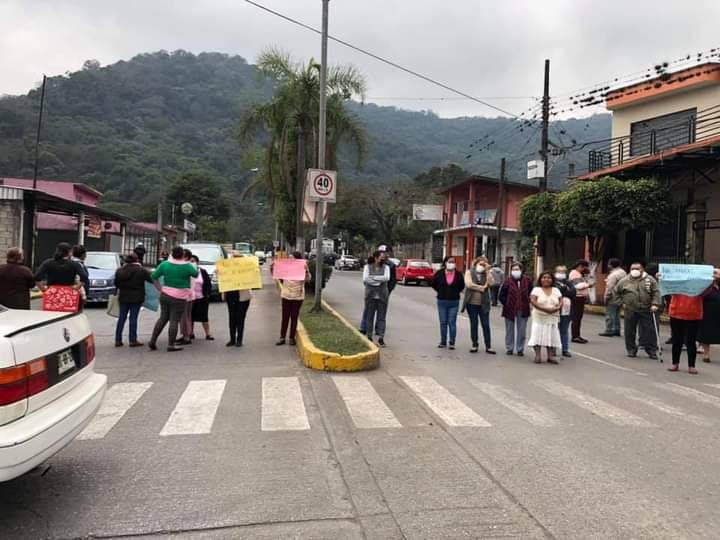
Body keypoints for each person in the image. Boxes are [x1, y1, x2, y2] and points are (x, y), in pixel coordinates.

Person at [148, 245, 198, 352]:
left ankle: (153, 340)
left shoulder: (165, 264)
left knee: (163, 318)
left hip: (165, 294)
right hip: (179, 296)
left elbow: (153, 276)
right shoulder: (187, 266)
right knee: (174, 320)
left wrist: (160, 289)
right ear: (183, 255)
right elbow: (196, 274)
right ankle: (171, 345)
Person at [611, 261, 661, 360]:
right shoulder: (624, 281)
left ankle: (651, 350)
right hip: (630, 309)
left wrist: (655, 303)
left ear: (642, 269)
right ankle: (631, 349)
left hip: (647, 309)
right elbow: (616, 292)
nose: (635, 271)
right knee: (629, 330)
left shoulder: (650, 279)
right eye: (632, 269)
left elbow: (656, 292)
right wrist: (621, 303)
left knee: (649, 331)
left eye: (637, 269)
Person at [114, 252, 152, 347]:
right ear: (137, 260)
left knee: (121, 318)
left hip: (123, 297)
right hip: (136, 297)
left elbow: (116, 284)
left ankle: (118, 340)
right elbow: (151, 279)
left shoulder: (119, 271)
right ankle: (132, 340)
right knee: (133, 318)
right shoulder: (141, 270)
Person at [360, 244, 397, 335]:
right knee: (368, 310)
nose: (383, 254)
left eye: (384, 252)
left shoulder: (390, 266)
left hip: (383, 291)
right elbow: (366, 278)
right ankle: (365, 327)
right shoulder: (370, 265)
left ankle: (378, 330)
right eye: (381, 252)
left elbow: (391, 279)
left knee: (381, 312)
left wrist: (388, 290)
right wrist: (370, 284)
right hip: (371, 291)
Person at [461, 256, 496, 354]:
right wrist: (482, 287)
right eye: (481, 264)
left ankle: (488, 346)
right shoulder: (469, 272)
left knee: (485, 324)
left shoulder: (487, 273)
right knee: (474, 324)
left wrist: (488, 271)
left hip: (484, 303)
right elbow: (469, 284)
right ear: (476, 264)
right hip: (472, 303)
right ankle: (474, 344)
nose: (482, 266)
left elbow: (492, 283)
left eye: (484, 265)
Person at [528, 271, 563, 364]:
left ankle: (550, 356)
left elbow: (560, 301)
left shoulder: (556, 290)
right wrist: (544, 309)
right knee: (537, 335)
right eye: (544, 277)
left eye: (549, 277)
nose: (546, 279)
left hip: (553, 317)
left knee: (551, 336)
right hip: (539, 317)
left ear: (552, 280)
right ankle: (538, 355)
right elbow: (533, 301)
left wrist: (557, 308)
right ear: (540, 279)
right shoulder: (536, 290)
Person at [666, 290, 705, 374]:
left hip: (693, 313)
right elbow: (668, 288)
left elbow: (705, 292)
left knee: (691, 341)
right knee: (677, 340)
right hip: (676, 312)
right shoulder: (676, 279)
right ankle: (675, 363)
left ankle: (691, 365)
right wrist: (661, 278)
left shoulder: (698, 281)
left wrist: (712, 282)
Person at [276, 251, 310, 346]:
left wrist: (306, 271)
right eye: (289, 258)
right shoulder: (286, 268)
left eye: (292, 258)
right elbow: (279, 277)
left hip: (298, 296)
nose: (290, 260)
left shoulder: (302, 267)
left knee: (294, 317)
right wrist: (274, 267)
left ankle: (291, 338)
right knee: (285, 317)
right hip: (286, 295)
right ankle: (282, 337)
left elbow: (307, 279)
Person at [431, 256, 465, 349]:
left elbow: (462, 286)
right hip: (442, 301)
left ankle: (452, 342)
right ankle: (443, 341)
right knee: (443, 322)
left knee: (452, 322)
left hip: (454, 301)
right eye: (449, 262)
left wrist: (454, 292)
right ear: (445, 263)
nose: (451, 263)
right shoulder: (439, 273)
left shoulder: (458, 274)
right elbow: (433, 284)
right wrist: (441, 291)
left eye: (453, 262)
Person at [499, 262, 531, 356]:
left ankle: (520, 349)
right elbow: (502, 295)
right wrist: (507, 303)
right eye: (513, 269)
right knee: (509, 330)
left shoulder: (527, 280)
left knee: (522, 330)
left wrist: (527, 302)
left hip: (523, 308)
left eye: (517, 269)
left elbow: (531, 292)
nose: (515, 271)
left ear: (521, 270)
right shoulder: (507, 281)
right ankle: (510, 348)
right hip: (509, 309)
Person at [362, 250, 390, 347]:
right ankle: (369, 336)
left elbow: (386, 278)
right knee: (369, 316)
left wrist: (373, 278)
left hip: (382, 296)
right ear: (375, 257)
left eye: (384, 257)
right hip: (370, 295)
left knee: (381, 318)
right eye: (381, 257)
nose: (383, 259)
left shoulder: (386, 267)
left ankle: (381, 337)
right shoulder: (367, 267)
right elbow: (365, 279)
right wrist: (378, 280)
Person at [225, 256, 252, 347]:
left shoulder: (246, 269)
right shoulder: (228, 269)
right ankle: (232, 339)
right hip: (231, 296)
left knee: (240, 318)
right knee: (232, 318)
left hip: (243, 297)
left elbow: (255, 274)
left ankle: (239, 340)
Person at [599, 258, 626, 337]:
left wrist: (606, 297)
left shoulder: (613, 275)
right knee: (617, 314)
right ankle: (616, 329)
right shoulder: (623, 272)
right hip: (621, 296)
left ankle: (609, 330)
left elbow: (609, 287)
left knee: (610, 314)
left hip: (613, 297)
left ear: (611, 265)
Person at [190, 254, 214, 341]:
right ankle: (190, 333)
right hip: (190, 298)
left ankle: (208, 333)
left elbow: (208, 284)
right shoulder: (186, 271)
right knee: (189, 316)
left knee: (204, 316)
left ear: (197, 262)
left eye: (193, 261)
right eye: (189, 261)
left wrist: (207, 294)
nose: (191, 263)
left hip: (202, 297)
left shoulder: (202, 271)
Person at [698, 268, 720, 363]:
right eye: (714, 273)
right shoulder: (705, 285)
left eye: (717, 273)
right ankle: (706, 355)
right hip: (708, 313)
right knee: (706, 334)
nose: (715, 275)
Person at [554, 265, 576, 358]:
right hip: (555, 309)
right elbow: (557, 292)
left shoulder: (569, 283)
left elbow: (573, 293)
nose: (561, 274)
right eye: (559, 271)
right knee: (554, 330)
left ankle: (565, 349)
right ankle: (553, 349)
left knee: (564, 330)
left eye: (563, 272)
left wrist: (564, 291)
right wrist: (565, 291)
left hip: (566, 310)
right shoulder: (552, 282)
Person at [568, 259, 593, 344]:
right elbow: (578, 286)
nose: (584, 269)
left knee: (578, 317)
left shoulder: (578, 274)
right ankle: (575, 336)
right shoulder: (574, 273)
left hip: (580, 297)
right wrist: (588, 285)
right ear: (580, 266)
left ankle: (577, 335)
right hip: (577, 297)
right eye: (583, 267)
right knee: (576, 317)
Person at [178, 248, 195, 345]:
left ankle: (186, 336)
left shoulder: (187, 266)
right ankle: (187, 333)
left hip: (185, 295)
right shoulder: (191, 266)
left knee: (184, 317)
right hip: (189, 295)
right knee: (186, 316)